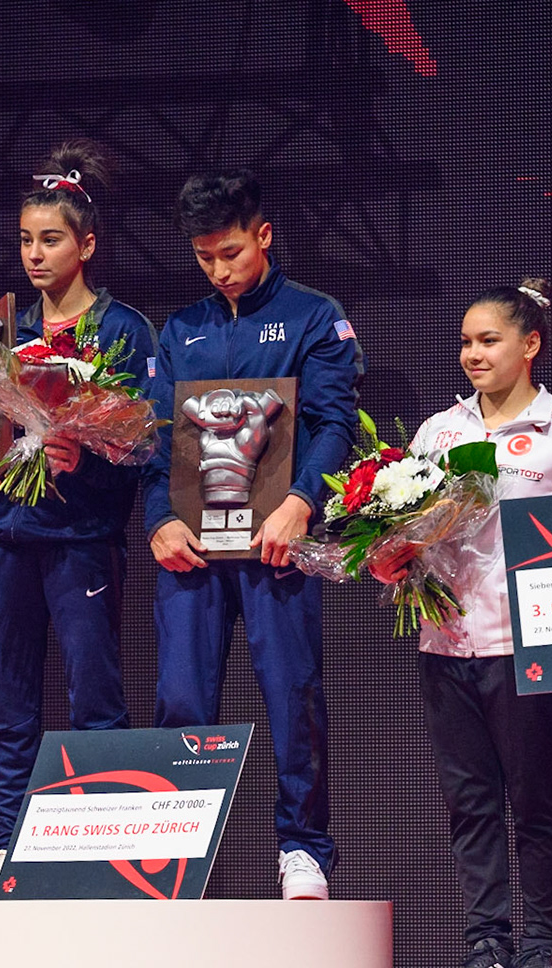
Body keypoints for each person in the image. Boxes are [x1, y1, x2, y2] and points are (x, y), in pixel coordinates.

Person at [0, 142, 158, 901]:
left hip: (79, 541)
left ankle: (99, 849)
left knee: (94, 703)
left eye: (52, 240)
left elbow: (144, 437)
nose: (35, 254)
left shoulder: (124, 330)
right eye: (27, 239)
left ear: (87, 244)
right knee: (10, 710)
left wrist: (87, 451)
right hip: (1, 537)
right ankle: (4, 851)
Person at [140, 169, 362, 899]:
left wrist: (301, 501)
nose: (219, 268)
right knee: (179, 700)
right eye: (205, 257)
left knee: (291, 697)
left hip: (275, 545)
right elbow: (153, 442)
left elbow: (333, 426)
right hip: (195, 553)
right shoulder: (181, 330)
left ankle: (304, 850)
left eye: (231, 252)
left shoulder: (312, 317)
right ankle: (178, 855)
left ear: (263, 235)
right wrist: (159, 520)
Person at [377, 278, 552, 968]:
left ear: (530, 345)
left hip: (526, 645)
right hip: (445, 645)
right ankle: (486, 945)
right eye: (466, 342)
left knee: (534, 796)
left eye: (488, 340)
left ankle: (541, 948)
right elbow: (398, 540)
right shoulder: (439, 431)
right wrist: (385, 551)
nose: (471, 353)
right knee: (469, 801)